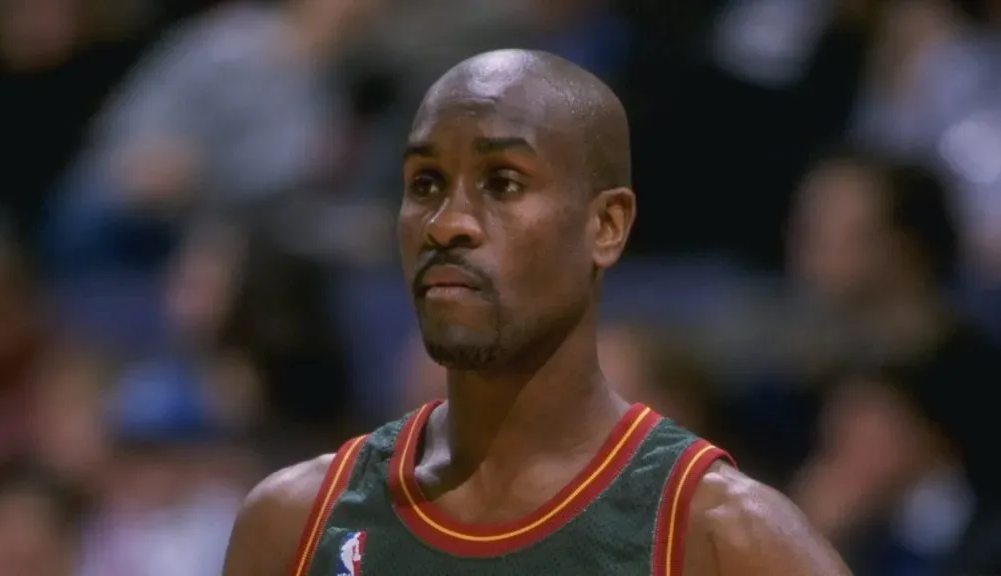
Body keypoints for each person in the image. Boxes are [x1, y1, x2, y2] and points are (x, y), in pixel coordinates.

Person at [222, 49, 850, 575]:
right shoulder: (295, 522)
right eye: (425, 185)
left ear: (606, 226)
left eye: (503, 183)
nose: (449, 224)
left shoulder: (720, 534)